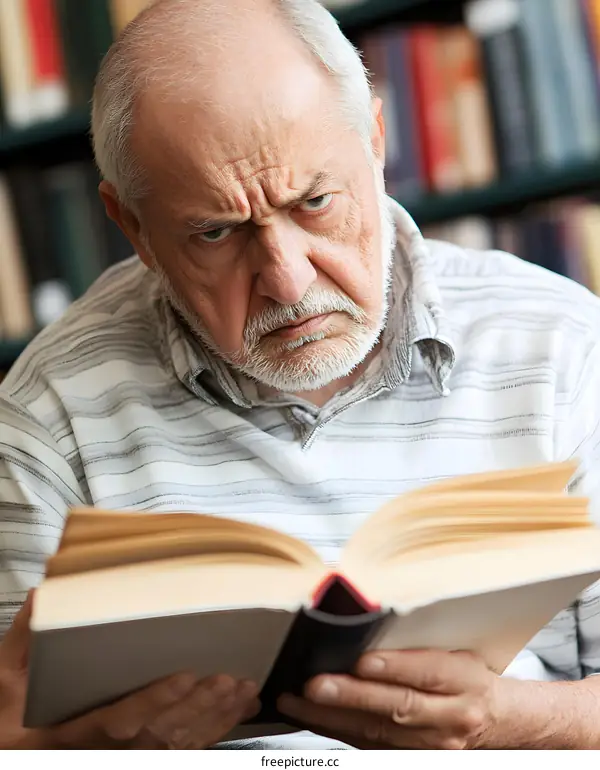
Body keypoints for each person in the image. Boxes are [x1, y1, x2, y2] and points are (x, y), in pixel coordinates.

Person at [2, 0, 600, 751]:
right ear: (133, 228)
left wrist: (513, 721)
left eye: (314, 202)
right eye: (215, 232)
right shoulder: (47, 415)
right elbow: (14, 735)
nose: (287, 281)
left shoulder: (563, 348)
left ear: (376, 141)